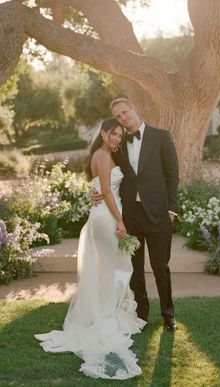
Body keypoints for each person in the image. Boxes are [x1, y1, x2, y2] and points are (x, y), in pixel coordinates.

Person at [34, 118, 146, 380]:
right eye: (114, 134)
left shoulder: (102, 154)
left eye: (120, 135)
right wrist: (120, 222)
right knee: (119, 268)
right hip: (107, 217)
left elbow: (98, 187)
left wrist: (94, 196)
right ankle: (105, 317)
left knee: (109, 269)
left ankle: (105, 312)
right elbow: (106, 191)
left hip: (101, 214)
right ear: (104, 133)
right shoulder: (103, 155)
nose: (118, 139)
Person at [92, 98, 179, 331]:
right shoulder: (117, 144)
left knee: (161, 266)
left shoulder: (161, 136)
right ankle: (141, 315)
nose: (122, 118)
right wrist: (94, 191)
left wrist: (172, 209)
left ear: (134, 108)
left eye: (124, 112)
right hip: (130, 215)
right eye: (118, 116)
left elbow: (172, 174)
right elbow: (101, 169)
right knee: (135, 269)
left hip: (159, 214)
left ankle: (168, 314)